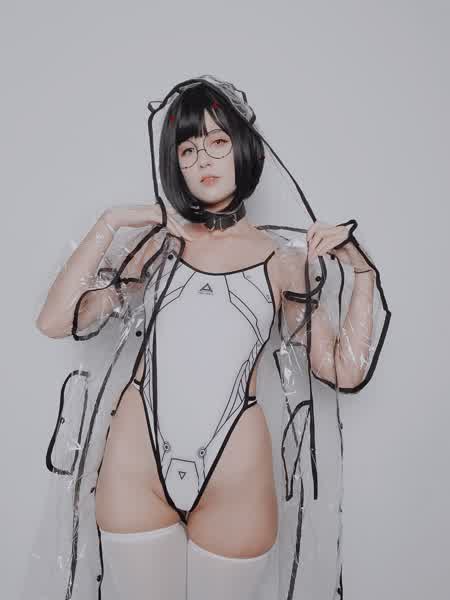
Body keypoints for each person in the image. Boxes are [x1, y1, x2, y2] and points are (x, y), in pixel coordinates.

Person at [26, 75, 391, 600]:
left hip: (235, 475)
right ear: (175, 165)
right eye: (188, 149)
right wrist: (112, 221)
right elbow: (57, 321)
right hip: (135, 464)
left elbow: (343, 369)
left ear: (243, 148)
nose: (203, 160)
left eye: (218, 141)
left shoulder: (283, 259)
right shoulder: (158, 244)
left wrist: (363, 273)